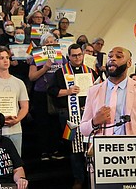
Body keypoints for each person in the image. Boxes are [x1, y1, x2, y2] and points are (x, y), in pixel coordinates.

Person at [80, 46, 136, 188]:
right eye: (110, 56)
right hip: (102, 161)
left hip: (132, 159)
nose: (112, 59)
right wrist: (94, 121)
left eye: (119, 56)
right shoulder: (94, 91)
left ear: (129, 63)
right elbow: (83, 128)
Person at [48, 43, 97, 189]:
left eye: (79, 55)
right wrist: (67, 91)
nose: (77, 58)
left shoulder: (89, 70)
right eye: (74, 55)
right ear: (68, 56)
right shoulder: (60, 72)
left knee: (90, 146)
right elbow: (51, 91)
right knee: (74, 148)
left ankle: (92, 177)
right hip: (68, 114)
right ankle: (78, 179)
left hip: (88, 114)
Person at [29, 33, 67, 161]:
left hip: (56, 93)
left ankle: (55, 150)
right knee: (43, 123)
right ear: (42, 45)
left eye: (52, 41)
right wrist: (45, 67)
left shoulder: (62, 57)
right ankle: (44, 151)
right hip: (41, 93)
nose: (50, 44)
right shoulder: (37, 58)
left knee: (55, 123)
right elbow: (31, 77)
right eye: (47, 42)